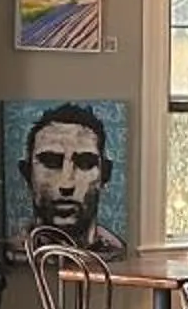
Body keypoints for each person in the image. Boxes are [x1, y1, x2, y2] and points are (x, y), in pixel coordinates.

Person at [18, 103, 122, 255]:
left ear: (105, 174)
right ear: (27, 173)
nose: (66, 184)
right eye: (50, 163)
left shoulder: (118, 251)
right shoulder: (11, 253)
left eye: (85, 164)